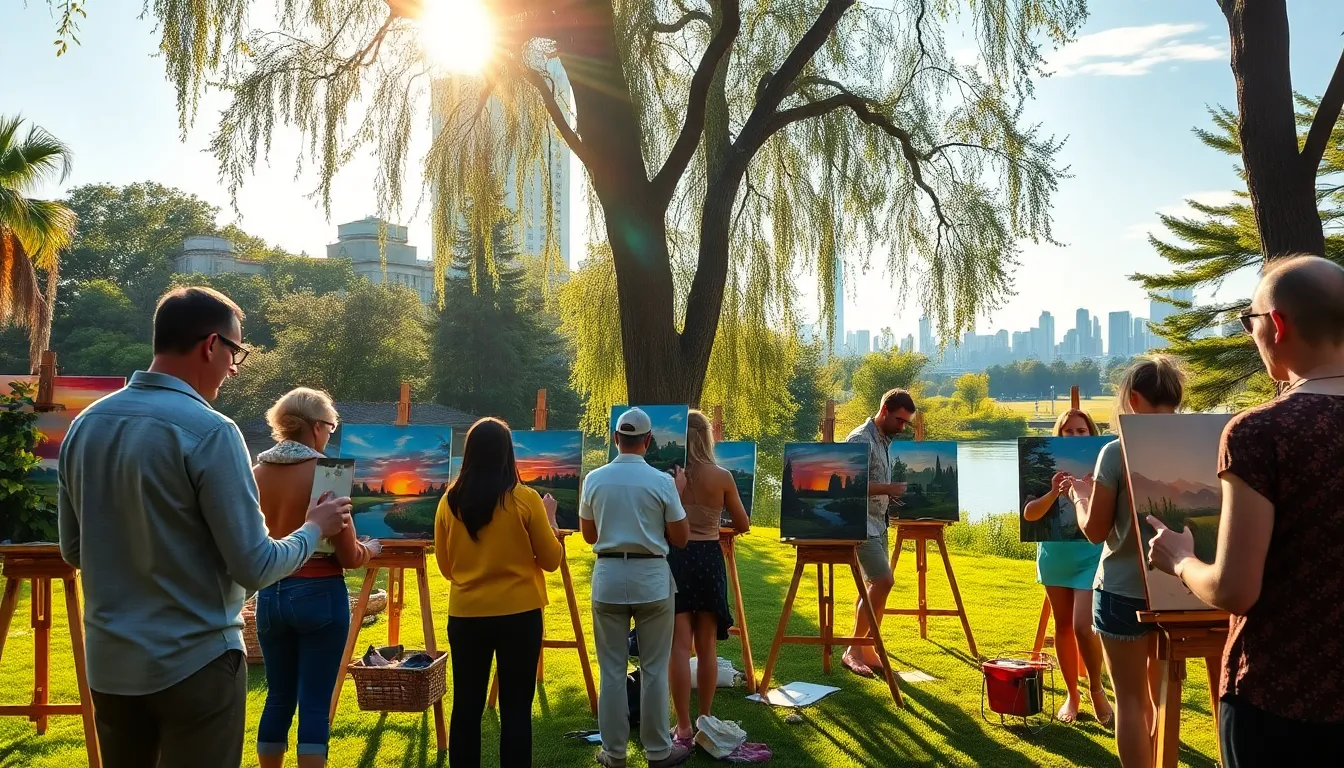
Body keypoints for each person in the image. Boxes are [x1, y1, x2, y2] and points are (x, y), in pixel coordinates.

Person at [56, 286, 351, 768]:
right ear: (211, 346)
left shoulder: (86, 425)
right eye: (237, 352)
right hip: (194, 662)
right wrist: (315, 527)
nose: (235, 368)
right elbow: (256, 565)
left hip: (109, 665)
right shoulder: (211, 430)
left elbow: (73, 549)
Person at [1147, 255, 1344, 766]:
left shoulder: (1263, 431)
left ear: (1276, 324)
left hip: (1281, 701)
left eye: (1250, 321)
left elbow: (1235, 590)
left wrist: (1181, 559)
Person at [253, 388, 380, 768]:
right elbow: (348, 555)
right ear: (314, 427)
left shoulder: (255, 472)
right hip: (319, 593)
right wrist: (370, 549)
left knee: (277, 696)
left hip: (269, 595)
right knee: (314, 702)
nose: (329, 435)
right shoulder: (329, 473)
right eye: (329, 427)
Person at [1070, 355, 1184, 768]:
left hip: (1122, 591)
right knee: (1164, 697)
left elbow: (1096, 530)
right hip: (1181, 590)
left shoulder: (1116, 452)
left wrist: (1080, 499)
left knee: (1132, 702)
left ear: (1133, 399)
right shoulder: (1199, 443)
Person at [434, 417, 563, 768]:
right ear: (508, 453)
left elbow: (446, 568)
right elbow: (550, 560)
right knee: (516, 710)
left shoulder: (449, 501)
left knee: (466, 707)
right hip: (520, 616)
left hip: (466, 615)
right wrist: (552, 522)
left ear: (469, 453)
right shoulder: (525, 499)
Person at [581, 408, 692, 768]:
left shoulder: (594, 479)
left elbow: (589, 535)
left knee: (611, 669)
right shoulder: (661, 482)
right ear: (647, 441)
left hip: (609, 576)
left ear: (616, 439)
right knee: (655, 668)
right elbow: (681, 537)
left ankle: (614, 754)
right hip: (651, 580)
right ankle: (658, 751)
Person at [1021, 409, 1112, 725]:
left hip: (1090, 554)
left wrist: (1089, 492)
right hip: (1054, 556)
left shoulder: (1104, 466)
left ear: (1091, 433)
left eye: (1081, 431)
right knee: (1062, 627)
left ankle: (1097, 690)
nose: (1075, 436)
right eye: (1068, 432)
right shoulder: (1039, 468)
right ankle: (1072, 695)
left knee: (1083, 627)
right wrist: (1053, 492)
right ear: (1058, 437)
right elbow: (1030, 515)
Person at [668, 411, 750, 747]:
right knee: (706, 646)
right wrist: (715, 524)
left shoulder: (668, 476)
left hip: (676, 558)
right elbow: (742, 524)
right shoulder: (722, 476)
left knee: (678, 645)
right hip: (709, 558)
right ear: (707, 437)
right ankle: (704, 717)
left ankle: (683, 726)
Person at [840, 388, 914, 677]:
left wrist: (887, 496)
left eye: (906, 422)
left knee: (873, 587)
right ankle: (853, 650)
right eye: (899, 420)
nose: (902, 427)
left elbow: (871, 482)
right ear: (884, 411)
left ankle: (867, 648)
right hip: (860, 526)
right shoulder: (860, 438)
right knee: (884, 581)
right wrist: (887, 489)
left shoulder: (883, 439)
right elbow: (847, 484)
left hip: (878, 522)